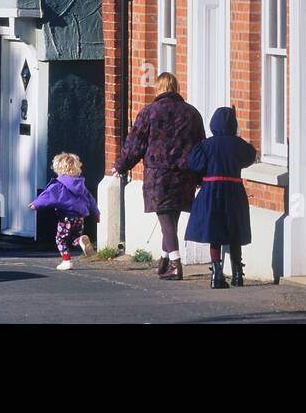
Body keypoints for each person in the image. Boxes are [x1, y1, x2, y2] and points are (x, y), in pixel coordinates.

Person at [113, 72, 206, 280]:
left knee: (165, 216)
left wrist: (121, 165)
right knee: (171, 218)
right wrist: (201, 175)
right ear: (176, 87)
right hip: (185, 173)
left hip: (159, 173)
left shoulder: (149, 113)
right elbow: (201, 146)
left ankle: (175, 264)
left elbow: (135, 144)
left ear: (159, 88)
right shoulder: (192, 113)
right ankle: (164, 261)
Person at [185, 106, 256, 289]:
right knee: (234, 232)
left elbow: (194, 164)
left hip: (211, 190)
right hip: (234, 190)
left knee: (214, 231)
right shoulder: (239, 145)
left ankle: (216, 273)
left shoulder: (206, 145)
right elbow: (249, 157)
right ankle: (238, 273)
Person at [30, 152, 101, 271]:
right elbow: (90, 199)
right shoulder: (81, 185)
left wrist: (35, 204)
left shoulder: (58, 185)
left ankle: (66, 261)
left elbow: (47, 196)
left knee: (60, 239)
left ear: (59, 168)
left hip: (66, 218)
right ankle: (80, 240)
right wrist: (97, 212)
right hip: (80, 217)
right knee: (74, 236)